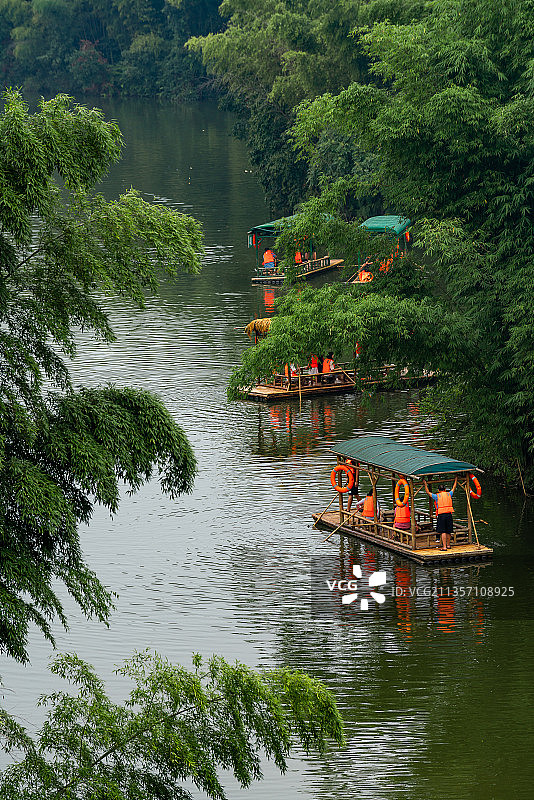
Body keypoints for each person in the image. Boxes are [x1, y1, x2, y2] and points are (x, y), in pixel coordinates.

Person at [424, 478, 458, 550]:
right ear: (445, 489)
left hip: (441, 515)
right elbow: (454, 487)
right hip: (449, 514)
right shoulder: (449, 494)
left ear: (439, 490)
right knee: (449, 531)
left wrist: (425, 483)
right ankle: (448, 545)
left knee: (443, 531)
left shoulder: (437, 496)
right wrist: (456, 480)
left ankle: (444, 547)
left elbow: (428, 492)